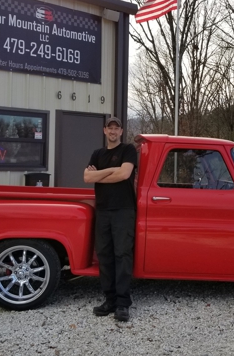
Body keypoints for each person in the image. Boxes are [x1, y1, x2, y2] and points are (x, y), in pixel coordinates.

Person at [83, 116, 137, 322]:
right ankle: (110, 300)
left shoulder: (128, 150)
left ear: (121, 131)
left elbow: (124, 174)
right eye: (110, 128)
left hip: (124, 210)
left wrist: (101, 175)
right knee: (104, 255)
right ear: (105, 131)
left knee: (122, 255)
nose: (113, 131)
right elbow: (87, 178)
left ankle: (123, 304)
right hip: (103, 210)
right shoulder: (97, 153)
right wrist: (111, 170)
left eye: (117, 128)